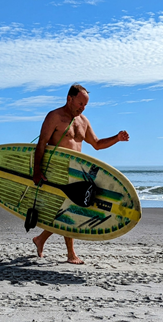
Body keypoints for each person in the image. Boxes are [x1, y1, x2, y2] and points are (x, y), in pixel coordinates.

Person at [32, 84, 129, 264]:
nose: (82, 108)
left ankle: (41, 239)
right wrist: (37, 170)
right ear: (69, 99)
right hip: (57, 171)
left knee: (67, 210)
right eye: (80, 103)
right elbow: (42, 143)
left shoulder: (83, 121)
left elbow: (97, 144)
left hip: (77, 173)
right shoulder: (54, 117)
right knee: (70, 210)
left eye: (85, 105)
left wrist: (116, 138)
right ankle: (70, 254)